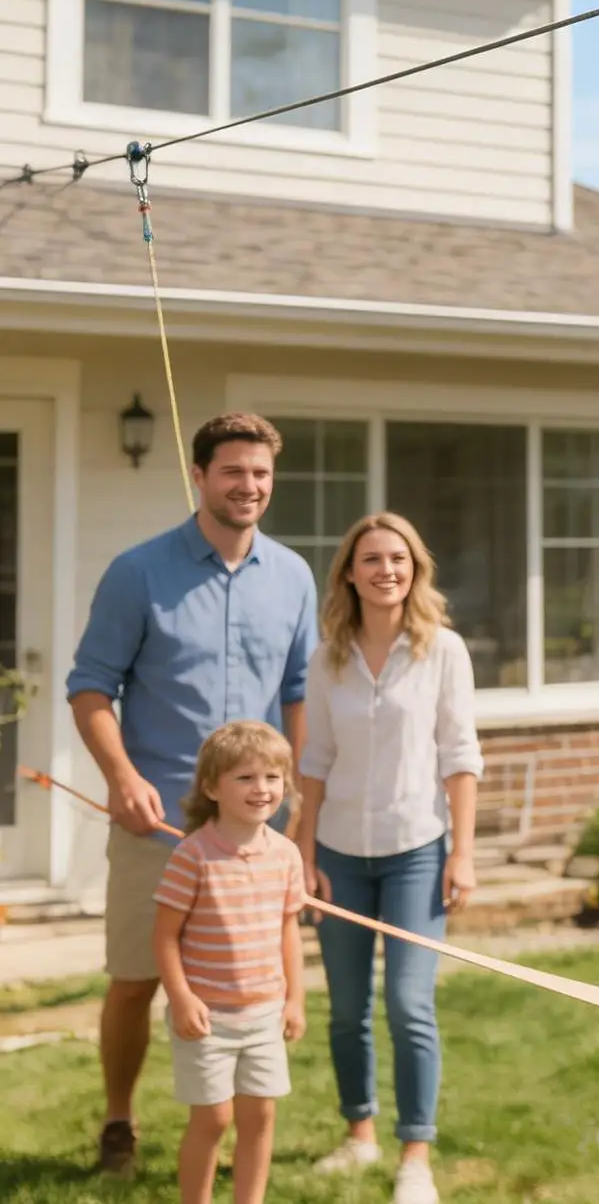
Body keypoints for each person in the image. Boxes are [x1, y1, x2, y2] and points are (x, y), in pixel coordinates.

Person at [66, 412, 317, 1178]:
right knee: (139, 975)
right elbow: (88, 689)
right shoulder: (137, 572)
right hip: (161, 825)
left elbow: (299, 695)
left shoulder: (295, 576)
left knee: (249, 982)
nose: (249, 486)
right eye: (234, 471)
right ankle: (119, 1119)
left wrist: (294, 809)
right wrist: (123, 778)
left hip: (253, 835)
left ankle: (221, 1141)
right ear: (199, 476)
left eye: (261, 474)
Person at [297, 512, 484, 1204]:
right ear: (349, 571)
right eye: (371, 559)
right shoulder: (327, 657)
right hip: (339, 853)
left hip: (416, 851)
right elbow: (314, 759)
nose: (386, 570)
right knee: (346, 1008)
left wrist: (461, 853)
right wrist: (305, 846)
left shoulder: (444, 651)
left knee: (408, 1003)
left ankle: (415, 1155)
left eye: (398, 559)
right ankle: (359, 1135)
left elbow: (460, 755)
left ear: (415, 569)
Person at [152, 721, 307, 1204]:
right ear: (211, 787)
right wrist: (181, 998)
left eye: (272, 777)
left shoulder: (285, 855)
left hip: (263, 1014)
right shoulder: (192, 856)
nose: (261, 789)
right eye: (244, 778)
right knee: (214, 1118)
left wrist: (294, 998)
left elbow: (288, 931)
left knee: (260, 1117)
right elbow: (164, 937)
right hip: (207, 1018)